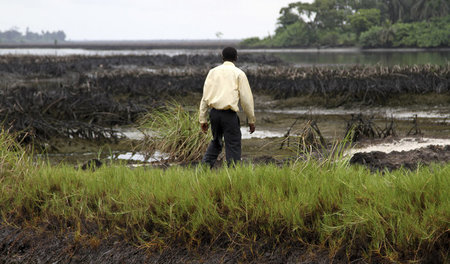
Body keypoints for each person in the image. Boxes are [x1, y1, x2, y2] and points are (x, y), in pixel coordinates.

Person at [199, 47, 256, 168]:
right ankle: (233, 174)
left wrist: (202, 119)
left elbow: (205, 97)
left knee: (216, 142)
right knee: (233, 144)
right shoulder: (239, 73)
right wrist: (251, 120)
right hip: (229, 116)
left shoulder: (212, 72)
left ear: (222, 57)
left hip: (214, 114)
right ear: (236, 58)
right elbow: (246, 100)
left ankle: (203, 170)